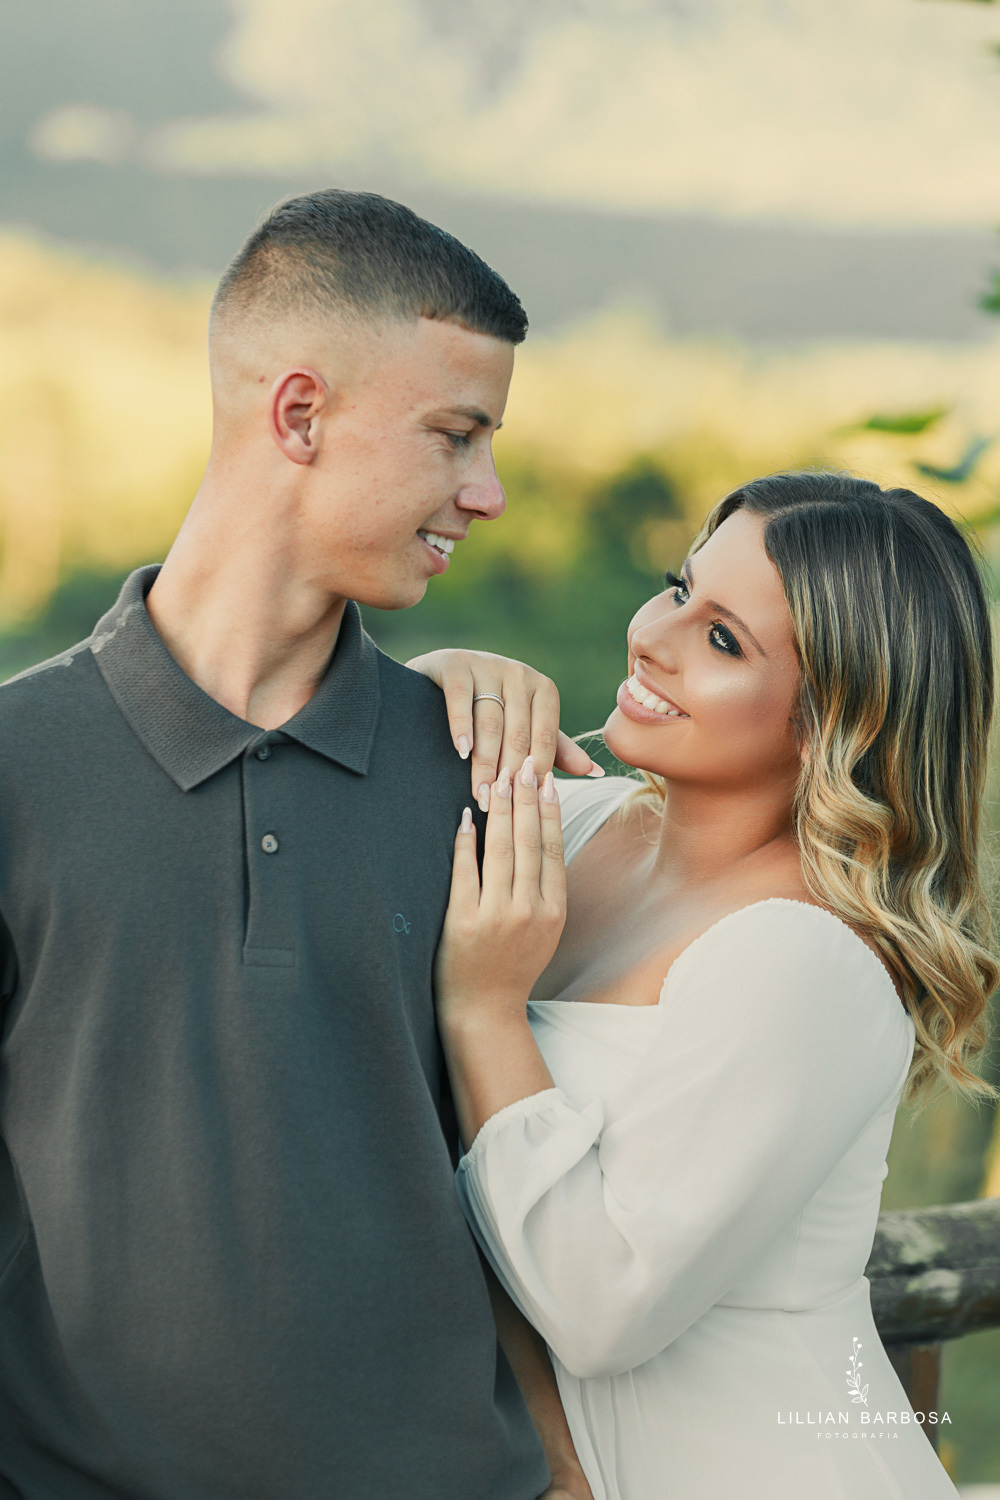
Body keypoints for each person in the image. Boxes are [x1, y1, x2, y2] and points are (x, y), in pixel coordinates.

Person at [0, 189, 599, 1499]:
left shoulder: (479, 770)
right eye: (455, 436)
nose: (488, 494)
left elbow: (514, 1174)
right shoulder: (15, 773)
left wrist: (561, 1470)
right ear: (300, 415)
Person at [410, 471, 996, 1499]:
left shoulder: (804, 961)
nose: (653, 636)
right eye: (679, 588)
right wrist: (430, 691)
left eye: (722, 639)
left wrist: (485, 1010)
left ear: (835, 722)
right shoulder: (573, 825)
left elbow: (601, 1309)